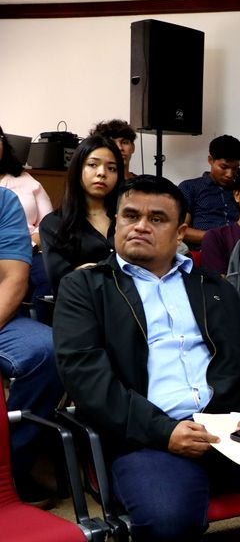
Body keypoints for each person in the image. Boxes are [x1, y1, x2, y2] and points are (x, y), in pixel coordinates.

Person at [52, 175, 240, 542]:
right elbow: (86, 378)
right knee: (168, 519)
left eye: (157, 219)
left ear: (180, 232)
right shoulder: (86, 288)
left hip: (230, 430)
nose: (141, 226)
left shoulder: (213, 287)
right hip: (148, 436)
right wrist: (164, 431)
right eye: (130, 216)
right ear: (116, 221)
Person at [0, 186, 64, 508]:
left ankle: (13, 464)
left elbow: (13, 279)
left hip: (2, 318)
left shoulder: (3, 200)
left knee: (48, 351)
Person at [38, 135, 122, 296]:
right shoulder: (54, 224)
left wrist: (87, 270)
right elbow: (62, 281)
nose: (102, 173)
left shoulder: (128, 219)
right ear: (77, 169)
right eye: (92, 165)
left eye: (112, 168)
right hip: (82, 303)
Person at [0, 123, 53, 317]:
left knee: (48, 276)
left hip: (33, 250)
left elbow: (48, 223)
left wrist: (29, 245)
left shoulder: (25, 179)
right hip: (3, 252)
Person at [178, 134, 240, 248]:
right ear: (210, 160)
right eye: (224, 167)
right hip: (204, 250)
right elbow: (181, 230)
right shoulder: (190, 187)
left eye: (235, 168)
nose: (230, 174)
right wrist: (219, 238)